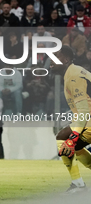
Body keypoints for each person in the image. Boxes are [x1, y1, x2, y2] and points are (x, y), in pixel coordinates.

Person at [51, 45, 91, 193]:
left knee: (64, 138)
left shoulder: (73, 76)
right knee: (76, 146)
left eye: (56, 56)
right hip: (88, 118)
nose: (51, 60)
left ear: (66, 59)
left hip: (89, 118)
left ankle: (78, 184)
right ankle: (78, 184)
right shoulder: (72, 72)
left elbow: (84, 110)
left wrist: (73, 136)